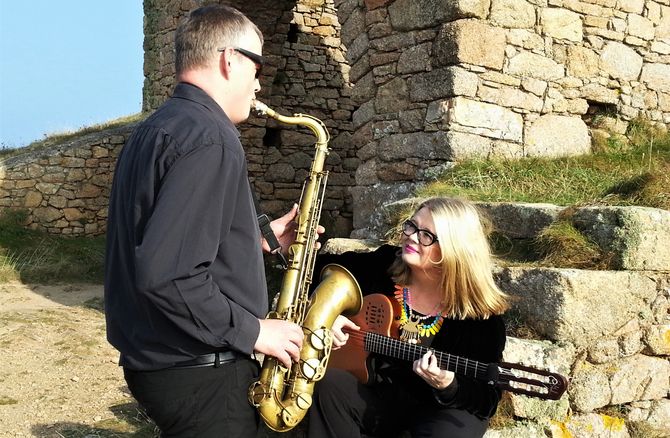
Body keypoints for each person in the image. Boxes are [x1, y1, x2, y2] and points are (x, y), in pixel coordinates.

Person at [104, 5, 313, 437]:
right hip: (199, 371)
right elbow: (168, 275)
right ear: (229, 59)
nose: (259, 82)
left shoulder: (157, 128)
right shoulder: (211, 138)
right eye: (258, 65)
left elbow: (164, 236)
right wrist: (255, 331)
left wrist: (259, 239)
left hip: (158, 359)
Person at [308, 197, 510, 438]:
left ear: (454, 249)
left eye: (427, 235)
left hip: (437, 410)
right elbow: (317, 272)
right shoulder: (383, 265)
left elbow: (486, 398)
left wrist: (449, 385)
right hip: (376, 398)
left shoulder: (481, 319)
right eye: (411, 226)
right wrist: (327, 316)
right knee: (328, 383)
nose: (412, 236)